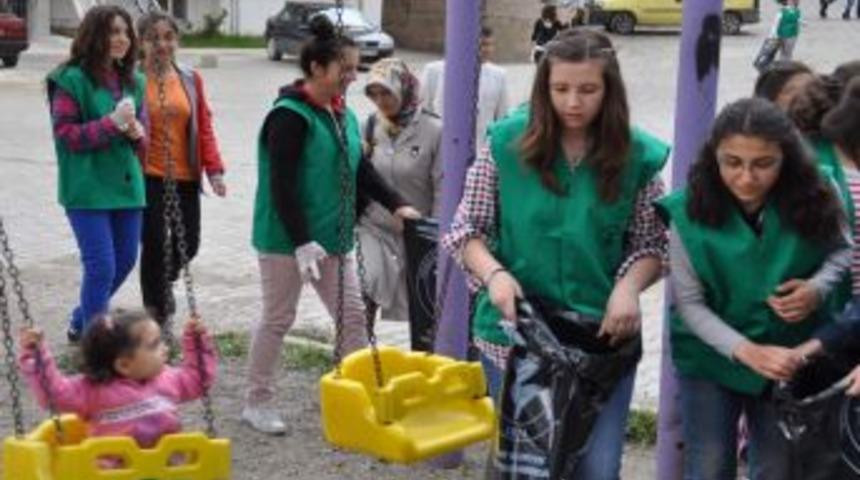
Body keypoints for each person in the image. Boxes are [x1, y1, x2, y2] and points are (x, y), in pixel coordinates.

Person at [441, 30, 669, 479]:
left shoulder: (638, 155)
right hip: (515, 336)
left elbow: (653, 243)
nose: (573, 102)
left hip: (602, 339)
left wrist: (628, 286)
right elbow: (466, 231)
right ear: (543, 87)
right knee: (527, 470)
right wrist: (495, 276)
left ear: (610, 90)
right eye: (560, 89)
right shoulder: (505, 143)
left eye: (588, 89)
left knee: (597, 469)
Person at [657, 97, 850, 480]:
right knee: (710, 464)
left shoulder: (821, 187)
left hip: (790, 353)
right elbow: (690, 305)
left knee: (777, 466)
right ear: (714, 157)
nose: (746, 178)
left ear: (787, 158)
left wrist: (817, 288)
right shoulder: (685, 209)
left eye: (764, 164)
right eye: (732, 163)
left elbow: (843, 252)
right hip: (711, 357)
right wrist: (745, 351)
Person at [244, 16, 420, 435]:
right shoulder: (289, 117)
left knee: (354, 316)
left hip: (333, 238)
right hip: (285, 240)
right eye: (345, 69)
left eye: (355, 68)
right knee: (277, 318)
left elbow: (361, 171)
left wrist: (397, 205)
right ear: (317, 69)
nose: (352, 77)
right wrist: (301, 241)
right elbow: (281, 187)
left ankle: (357, 395)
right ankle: (257, 401)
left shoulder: (342, 115)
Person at [47, 5, 147, 342]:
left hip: (126, 186)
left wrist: (137, 134)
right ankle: (97, 347)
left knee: (125, 261)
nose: (121, 39)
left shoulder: (135, 81)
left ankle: (82, 318)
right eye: (112, 32)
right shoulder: (70, 80)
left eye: (125, 32)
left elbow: (141, 136)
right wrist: (111, 124)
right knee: (101, 266)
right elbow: (66, 136)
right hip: (87, 188)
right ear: (94, 36)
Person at [136, 12, 227, 326]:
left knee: (190, 242)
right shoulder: (131, 79)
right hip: (147, 174)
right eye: (153, 38)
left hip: (185, 174)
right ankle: (155, 312)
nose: (162, 44)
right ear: (141, 42)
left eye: (168, 37)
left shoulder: (190, 78)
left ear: (177, 40)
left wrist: (214, 170)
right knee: (154, 242)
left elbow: (203, 126)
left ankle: (164, 280)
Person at [18, 310, 216, 453]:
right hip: (113, 473)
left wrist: (196, 342)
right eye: (155, 345)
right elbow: (54, 394)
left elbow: (199, 379)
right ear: (124, 365)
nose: (165, 348)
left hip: (166, 468)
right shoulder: (94, 391)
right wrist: (37, 355)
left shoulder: (169, 378)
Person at [358, 58, 442, 323]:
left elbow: (442, 186)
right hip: (374, 228)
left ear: (404, 89)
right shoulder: (370, 126)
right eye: (374, 94)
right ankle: (358, 354)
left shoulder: (434, 130)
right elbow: (362, 176)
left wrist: (436, 232)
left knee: (421, 309)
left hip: (418, 234)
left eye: (387, 92)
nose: (381, 101)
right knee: (364, 290)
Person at [420, 26, 509, 149]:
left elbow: (502, 117)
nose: (488, 49)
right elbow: (425, 112)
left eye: (490, 45)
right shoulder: (434, 71)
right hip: (443, 149)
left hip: (479, 150)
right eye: (483, 44)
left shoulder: (499, 75)